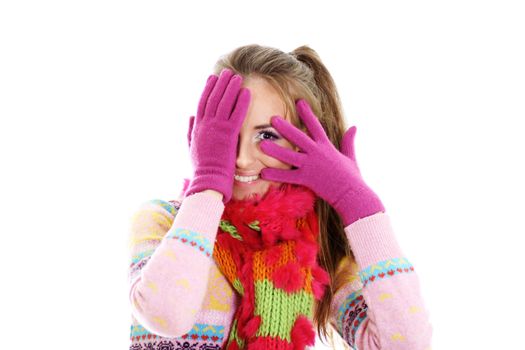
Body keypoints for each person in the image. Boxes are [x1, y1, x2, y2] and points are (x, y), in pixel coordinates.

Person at [128, 44, 433, 350]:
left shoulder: (317, 254)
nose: (242, 159)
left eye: (267, 136)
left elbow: (407, 345)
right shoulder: (163, 221)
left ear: (303, 147)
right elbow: (166, 315)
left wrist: (359, 204)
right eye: (226, 135)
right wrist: (207, 181)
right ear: (201, 137)